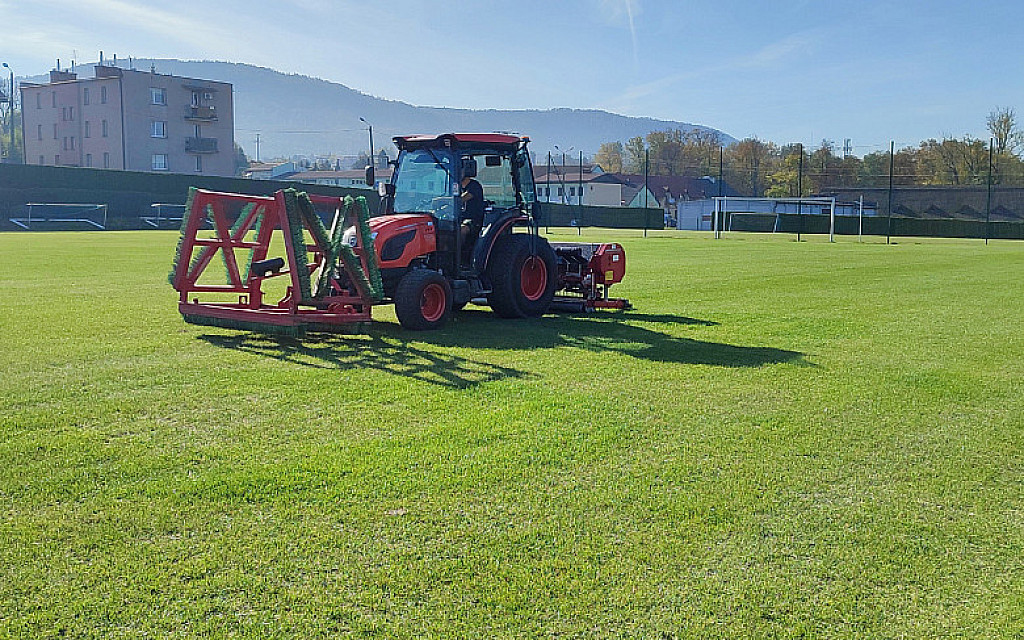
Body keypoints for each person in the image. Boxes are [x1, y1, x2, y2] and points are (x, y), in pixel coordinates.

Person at [459, 157, 485, 256]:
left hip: (473, 220)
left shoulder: (474, 186)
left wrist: (442, 201)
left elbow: (460, 200)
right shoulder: (456, 186)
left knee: (461, 230)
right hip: (457, 218)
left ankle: (460, 256)